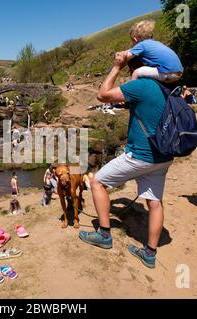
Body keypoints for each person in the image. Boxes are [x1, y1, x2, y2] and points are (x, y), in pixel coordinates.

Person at [78, 54, 174, 269]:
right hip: (164, 156)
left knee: (97, 182)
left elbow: (103, 95)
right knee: (154, 201)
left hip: (141, 154)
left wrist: (116, 67)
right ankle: (149, 252)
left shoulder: (141, 86)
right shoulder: (165, 87)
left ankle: (104, 235)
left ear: (136, 69)